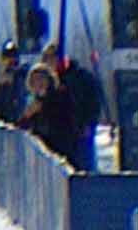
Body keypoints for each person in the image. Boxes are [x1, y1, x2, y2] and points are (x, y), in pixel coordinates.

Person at [42, 43, 104, 172]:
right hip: (61, 136)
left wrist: (89, 123)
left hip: (80, 132)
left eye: (51, 59)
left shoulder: (80, 77)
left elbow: (93, 102)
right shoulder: (50, 83)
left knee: (84, 169)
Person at [20, 65, 87, 168]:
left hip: (62, 149)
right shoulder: (33, 101)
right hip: (42, 152)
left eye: (41, 79)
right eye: (34, 80)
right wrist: (27, 116)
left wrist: (43, 107)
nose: (38, 83)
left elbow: (66, 120)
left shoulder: (60, 96)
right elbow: (22, 127)